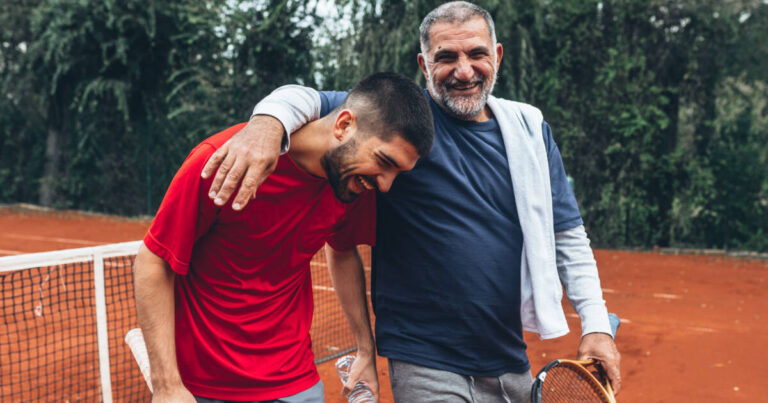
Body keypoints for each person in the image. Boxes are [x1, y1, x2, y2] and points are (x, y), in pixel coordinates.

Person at [201, 2, 621, 401]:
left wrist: (597, 324)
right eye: (445, 57)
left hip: (507, 355)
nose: (463, 70)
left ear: (497, 55)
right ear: (424, 64)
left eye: (476, 54)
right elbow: (306, 98)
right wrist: (266, 123)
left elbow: (567, 234)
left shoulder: (528, 130)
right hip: (424, 357)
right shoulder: (397, 120)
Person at [133, 72, 434, 403]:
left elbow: (343, 249)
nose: (385, 184)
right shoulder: (222, 160)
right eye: (383, 162)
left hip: (295, 381)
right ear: (344, 125)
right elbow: (155, 259)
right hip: (204, 385)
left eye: (396, 173)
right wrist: (166, 385)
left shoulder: (353, 185)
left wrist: (365, 348)